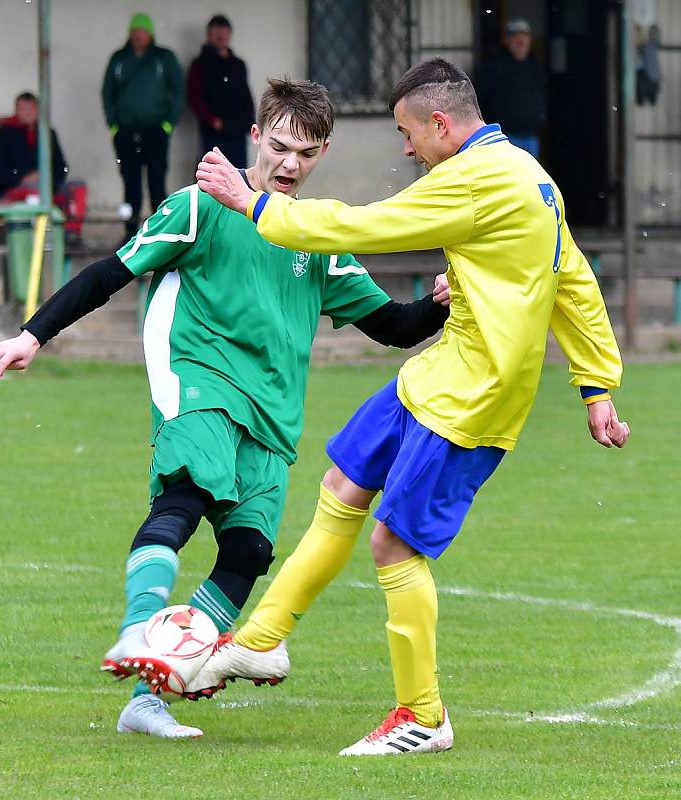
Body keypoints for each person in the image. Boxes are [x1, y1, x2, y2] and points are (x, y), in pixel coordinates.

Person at [0, 78, 450, 740]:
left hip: (271, 413)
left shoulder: (314, 236)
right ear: (255, 137)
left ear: (321, 154)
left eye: (307, 154)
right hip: (198, 381)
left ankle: (147, 698)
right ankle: (136, 628)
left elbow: (393, 328)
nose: (290, 165)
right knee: (187, 495)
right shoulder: (199, 208)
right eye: (281, 147)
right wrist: (32, 335)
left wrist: (436, 303)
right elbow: (110, 273)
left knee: (247, 550)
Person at [193, 58, 630, 756]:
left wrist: (253, 206)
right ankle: (259, 643)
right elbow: (571, 276)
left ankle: (422, 715)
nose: (404, 148)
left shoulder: (475, 177)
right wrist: (595, 384)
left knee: (392, 542)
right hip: (435, 374)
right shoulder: (527, 174)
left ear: (439, 124)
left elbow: (365, 226)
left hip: (473, 399)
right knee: (341, 485)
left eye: (406, 132)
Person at [102, 12, 185, 239]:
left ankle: (162, 233)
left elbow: (179, 91)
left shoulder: (163, 58)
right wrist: (114, 125)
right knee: (131, 184)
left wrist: (168, 123)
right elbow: (107, 93)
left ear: (150, 34)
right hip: (126, 131)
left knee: (157, 182)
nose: (138, 36)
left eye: (143, 32)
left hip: (156, 130)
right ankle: (130, 232)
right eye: (135, 32)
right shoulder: (119, 59)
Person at [0, 92, 87, 243]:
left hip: (48, 187)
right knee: (33, 190)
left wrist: (48, 179)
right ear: (16, 111)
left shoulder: (48, 133)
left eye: (31, 109)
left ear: (38, 111)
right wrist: (22, 177)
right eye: (23, 109)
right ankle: (40, 239)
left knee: (78, 187)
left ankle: (71, 233)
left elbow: (61, 167)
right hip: (16, 188)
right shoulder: (3, 134)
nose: (27, 113)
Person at [187, 14, 255, 168]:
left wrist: (249, 122)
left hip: (238, 130)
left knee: (239, 174)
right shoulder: (200, 64)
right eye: (216, 32)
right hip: (213, 133)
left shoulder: (238, 64)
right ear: (209, 34)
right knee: (212, 174)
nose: (221, 36)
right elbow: (194, 98)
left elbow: (245, 95)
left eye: (224, 32)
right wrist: (213, 121)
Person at [477, 18, 545, 159]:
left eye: (524, 35)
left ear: (530, 40)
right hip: (505, 139)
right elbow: (482, 99)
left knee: (530, 179)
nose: (520, 40)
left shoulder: (535, 67)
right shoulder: (494, 67)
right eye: (515, 36)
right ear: (507, 41)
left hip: (531, 137)